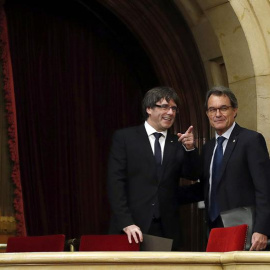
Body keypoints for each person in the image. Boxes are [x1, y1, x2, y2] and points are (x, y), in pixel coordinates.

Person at [107, 86, 200, 250]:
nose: (170, 112)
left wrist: (190, 149)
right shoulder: (125, 138)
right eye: (164, 106)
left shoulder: (177, 143)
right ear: (149, 109)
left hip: (166, 229)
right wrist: (126, 222)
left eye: (173, 108)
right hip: (132, 227)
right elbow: (115, 183)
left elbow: (193, 174)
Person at [202, 85, 270, 251]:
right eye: (212, 109)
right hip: (214, 229)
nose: (217, 114)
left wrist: (262, 229)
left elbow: (265, 189)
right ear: (207, 114)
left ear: (235, 110)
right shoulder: (208, 147)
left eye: (223, 108)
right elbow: (208, 185)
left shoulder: (251, 140)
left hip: (245, 230)